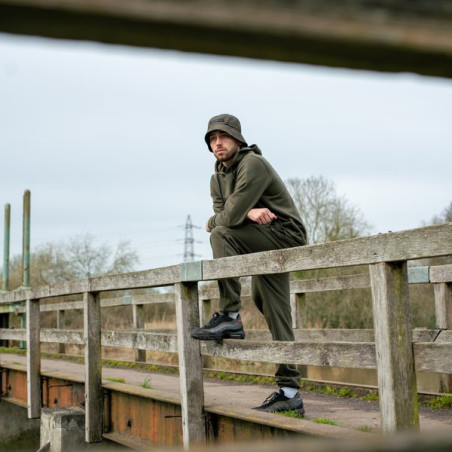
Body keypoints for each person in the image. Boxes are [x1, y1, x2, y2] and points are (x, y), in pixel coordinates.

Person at [190, 114, 307, 415]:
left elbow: (224, 220)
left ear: (238, 139)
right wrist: (249, 212)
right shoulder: (217, 178)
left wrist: (227, 216)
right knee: (271, 306)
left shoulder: (253, 164)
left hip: (284, 234)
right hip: (259, 236)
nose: (218, 143)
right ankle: (290, 394)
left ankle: (230, 315)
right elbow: (228, 213)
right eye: (212, 139)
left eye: (223, 137)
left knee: (220, 234)